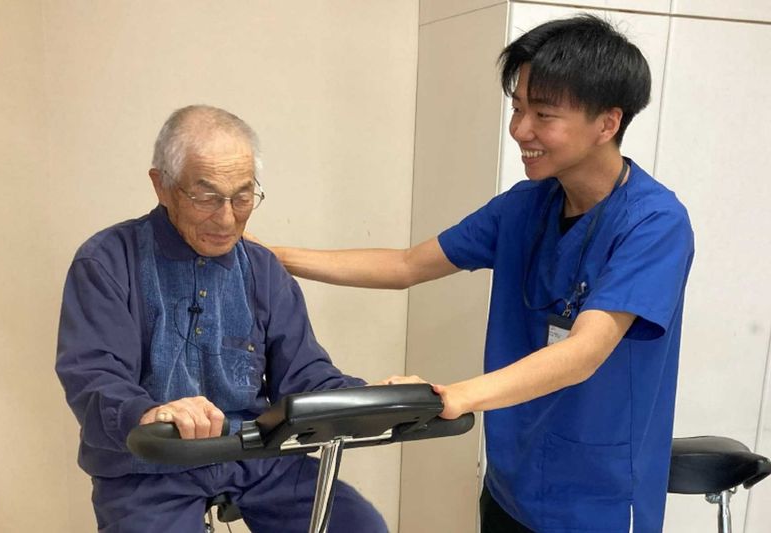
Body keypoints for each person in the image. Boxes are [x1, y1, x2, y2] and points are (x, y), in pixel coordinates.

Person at [255, 15, 694, 533]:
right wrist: (268, 255)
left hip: (598, 498)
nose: (521, 130)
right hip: (512, 481)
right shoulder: (524, 206)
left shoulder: (654, 224)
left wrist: (455, 394)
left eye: (543, 114)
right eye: (518, 108)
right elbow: (406, 265)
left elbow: (583, 352)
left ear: (607, 123)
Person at [55, 105, 387, 533]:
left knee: (358, 525)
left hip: (254, 456)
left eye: (243, 197)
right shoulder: (107, 261)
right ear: (162, 186)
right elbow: (94, 375)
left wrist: (375, 397)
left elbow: (305, 376)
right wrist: (148, 413)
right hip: (148, 464)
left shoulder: (263, 269)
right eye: (207, 198)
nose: (228, 218)